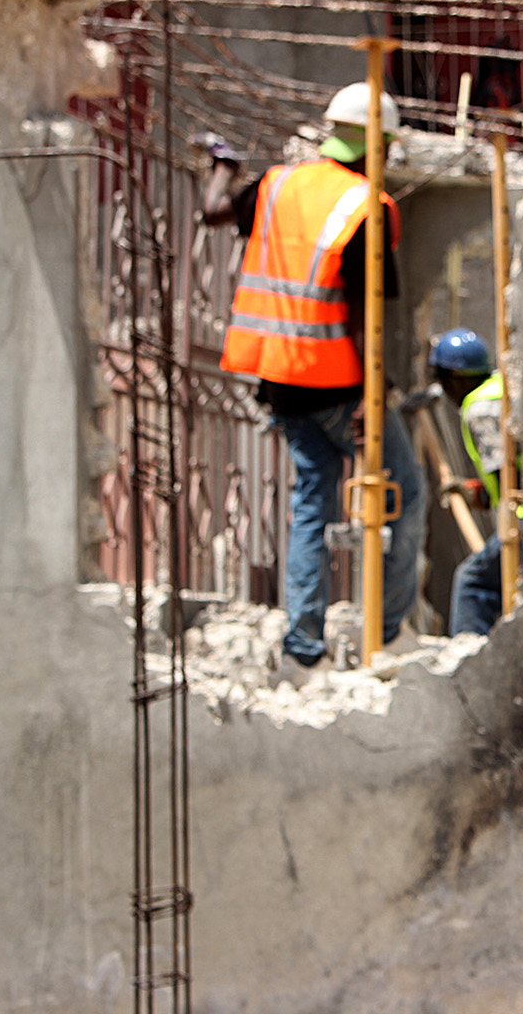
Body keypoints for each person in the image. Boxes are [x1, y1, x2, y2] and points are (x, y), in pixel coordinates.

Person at [201, 83, 426, 667]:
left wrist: (223, 167)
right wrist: (371, 395)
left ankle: (303, 645)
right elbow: (368, 313)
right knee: (406, 492)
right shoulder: (364, 205)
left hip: (279, 382)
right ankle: (388, 629)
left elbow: (213, 211)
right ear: (377, 146)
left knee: (312, 504)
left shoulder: (277, 184)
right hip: (337, 384)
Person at [426, 328, 512, 636]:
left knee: (473, 582)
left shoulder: (479, 408)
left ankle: (469, 659)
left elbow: (509, 474)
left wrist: (508, 520)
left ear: (454, 378)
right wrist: (476, 493)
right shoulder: (500, 389)